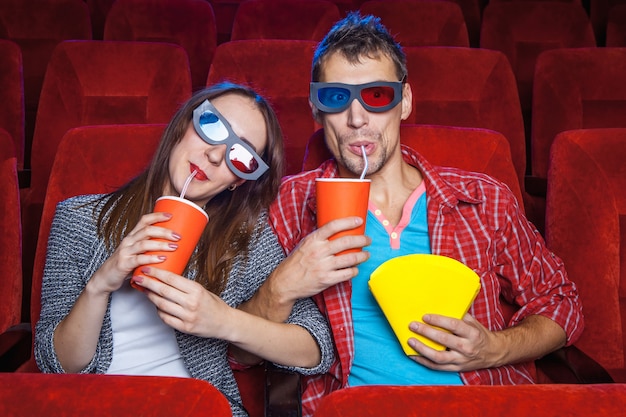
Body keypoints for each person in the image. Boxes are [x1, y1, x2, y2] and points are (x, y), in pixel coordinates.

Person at [240, 12, 584, 416]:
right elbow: (237, 351)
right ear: (317, 111)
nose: (356, 119)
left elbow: (563, 304)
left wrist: (494, 349)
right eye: (336, 98)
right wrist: (281, 286)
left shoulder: (483, 199)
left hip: (476, 405)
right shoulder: (285, 204)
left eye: (377, 96)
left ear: (404, 102)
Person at [34, 83, 334, 417]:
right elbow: (56, 364)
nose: (217, 155)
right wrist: (100, 284)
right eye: (212, 126)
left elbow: (316, 347)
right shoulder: (79, 219)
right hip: (99, 406)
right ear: (183, 126)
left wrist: (222, 321)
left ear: (238, 180)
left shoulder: (244, 238)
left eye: (241, 156)